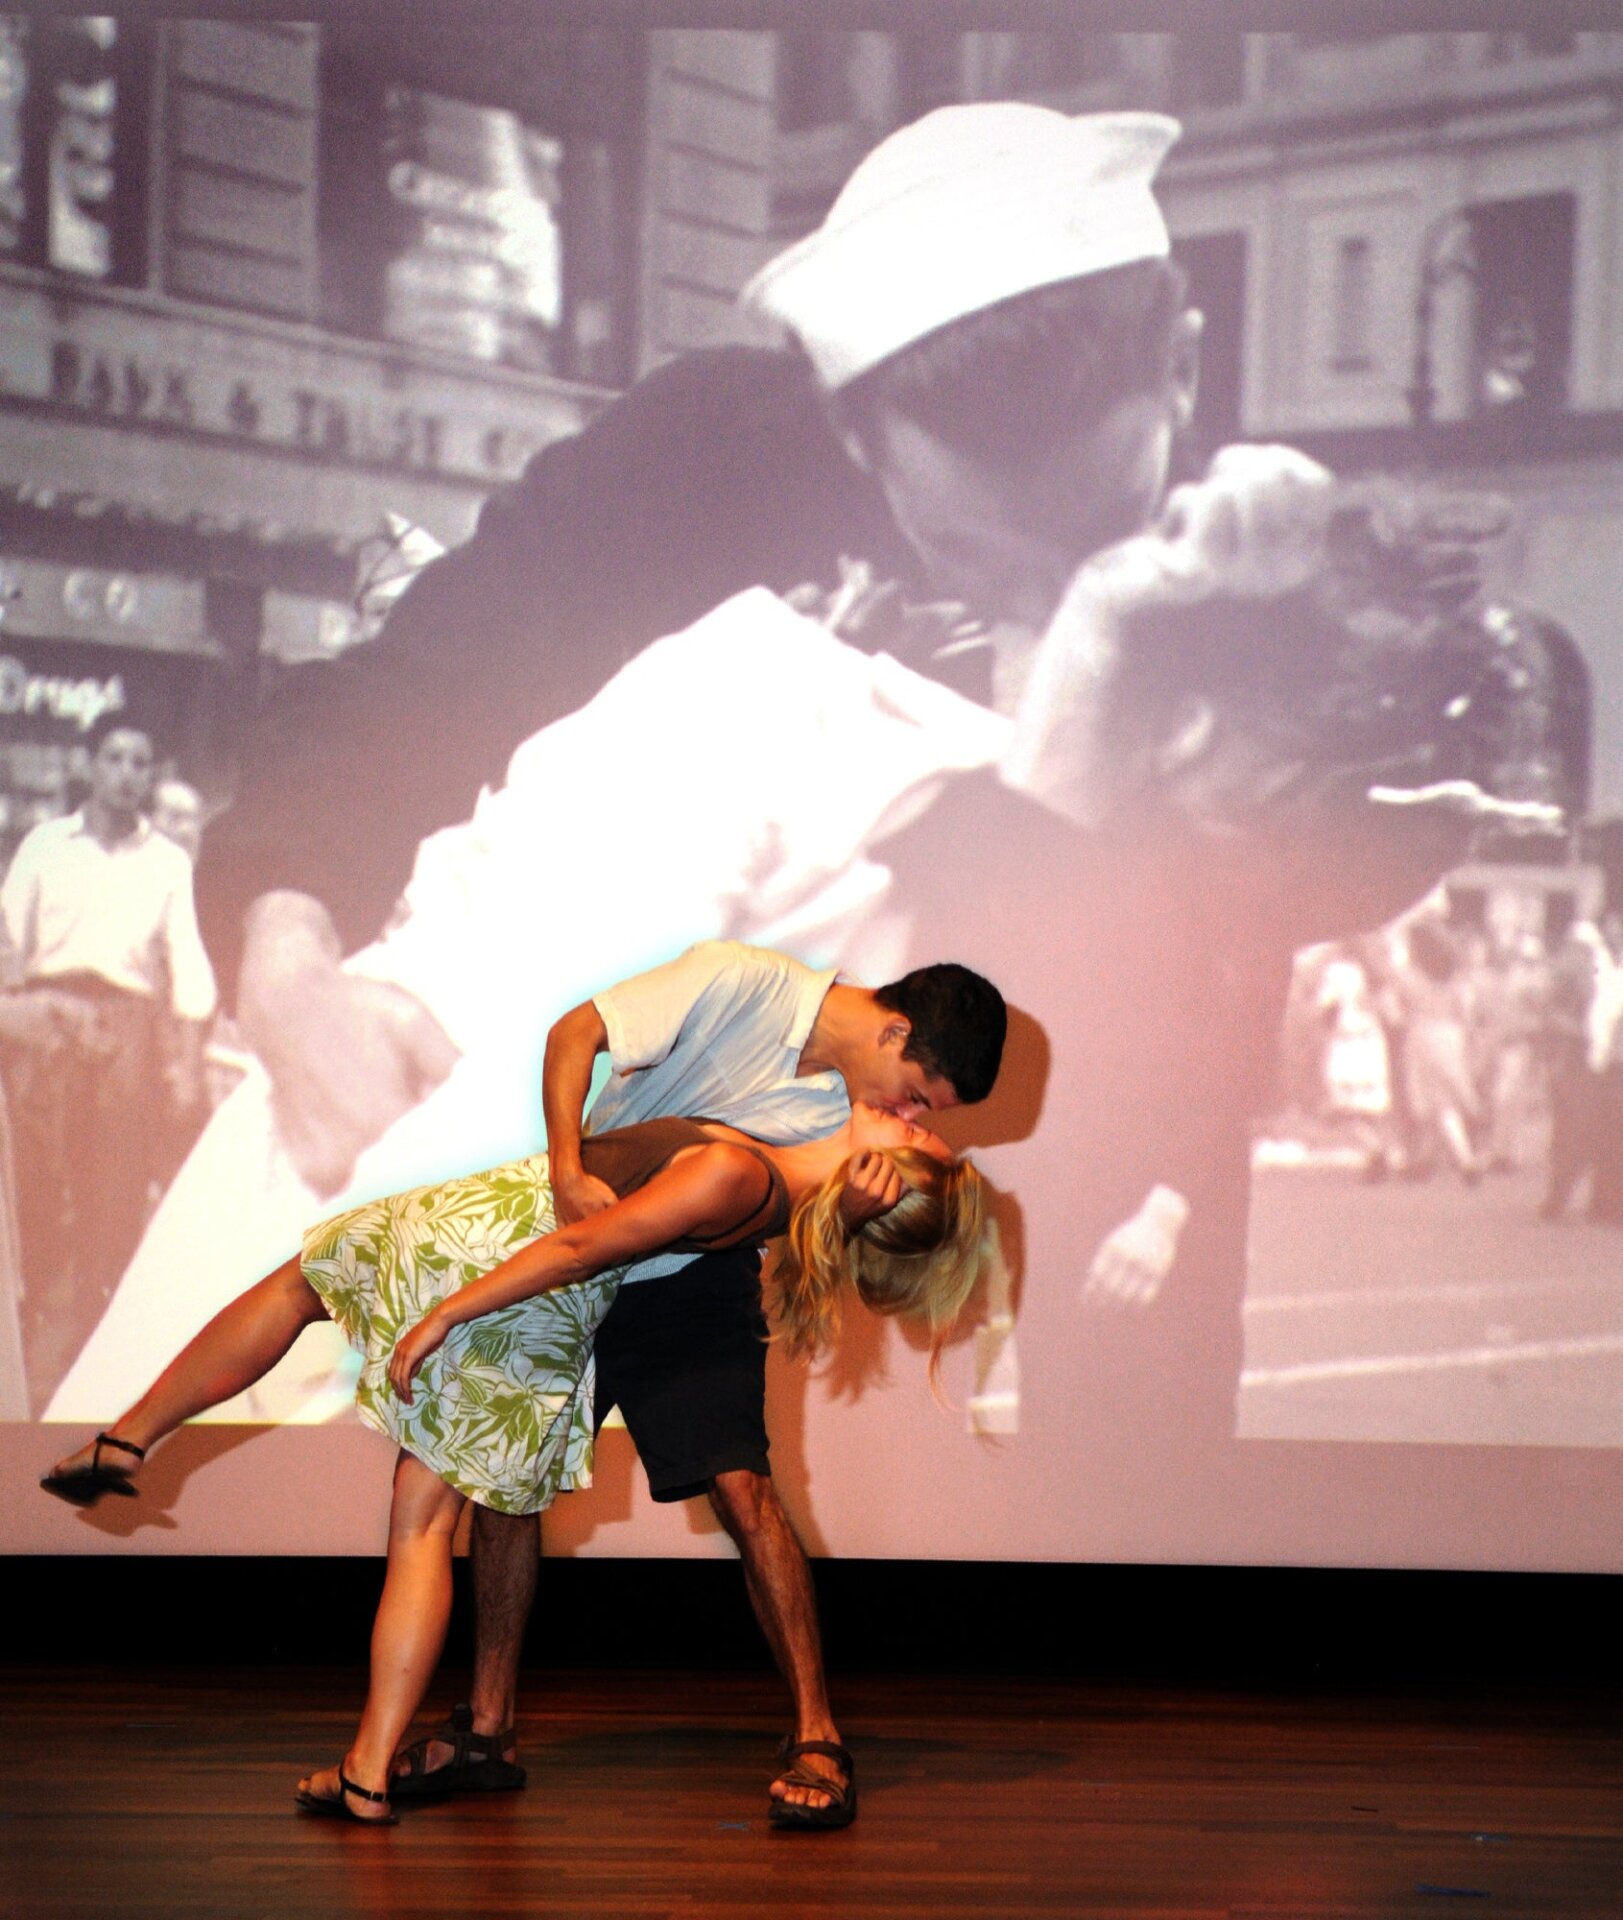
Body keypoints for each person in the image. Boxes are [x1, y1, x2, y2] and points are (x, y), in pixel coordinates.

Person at [42, 1098, 984, 1830]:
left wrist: (449, 1310)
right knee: (423, 1510)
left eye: (921, 1138)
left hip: (500, 1257)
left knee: (324, 1322)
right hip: (530, 1290)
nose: (918, 1116)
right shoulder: (771, 1183)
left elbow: (578, 1244)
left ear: (879, 1174)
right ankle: (369, 1765)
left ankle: (130, 1438)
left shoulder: (741, 1175)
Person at [393, 941, 1005, 1828]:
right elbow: (576, 1034)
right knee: (507, 1483)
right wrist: (566, 1171)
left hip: (696, 1273)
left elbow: (829, 1252)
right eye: (916, 1093)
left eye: (920, 1113)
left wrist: (847, 1208)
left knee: (740, 1482)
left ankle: (817, 1735)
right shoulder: (743, 982)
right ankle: (488, 1734)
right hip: (589, 1244)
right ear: (896, 1029)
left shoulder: (867, 1123)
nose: (911, 1115)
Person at [0, 717, 215, 1410]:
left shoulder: (166, 864)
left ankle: (91, 1351)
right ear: (89, 765)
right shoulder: (44, 846)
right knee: (39, 1182)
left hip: (126, 1032)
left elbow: (188, 972)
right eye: (115, 758)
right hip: (49, 1023)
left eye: (140, 761)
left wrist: (182, 1070)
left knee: (115, 1192)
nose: (128, 773)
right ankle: (34, 1330)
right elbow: (8, 939)